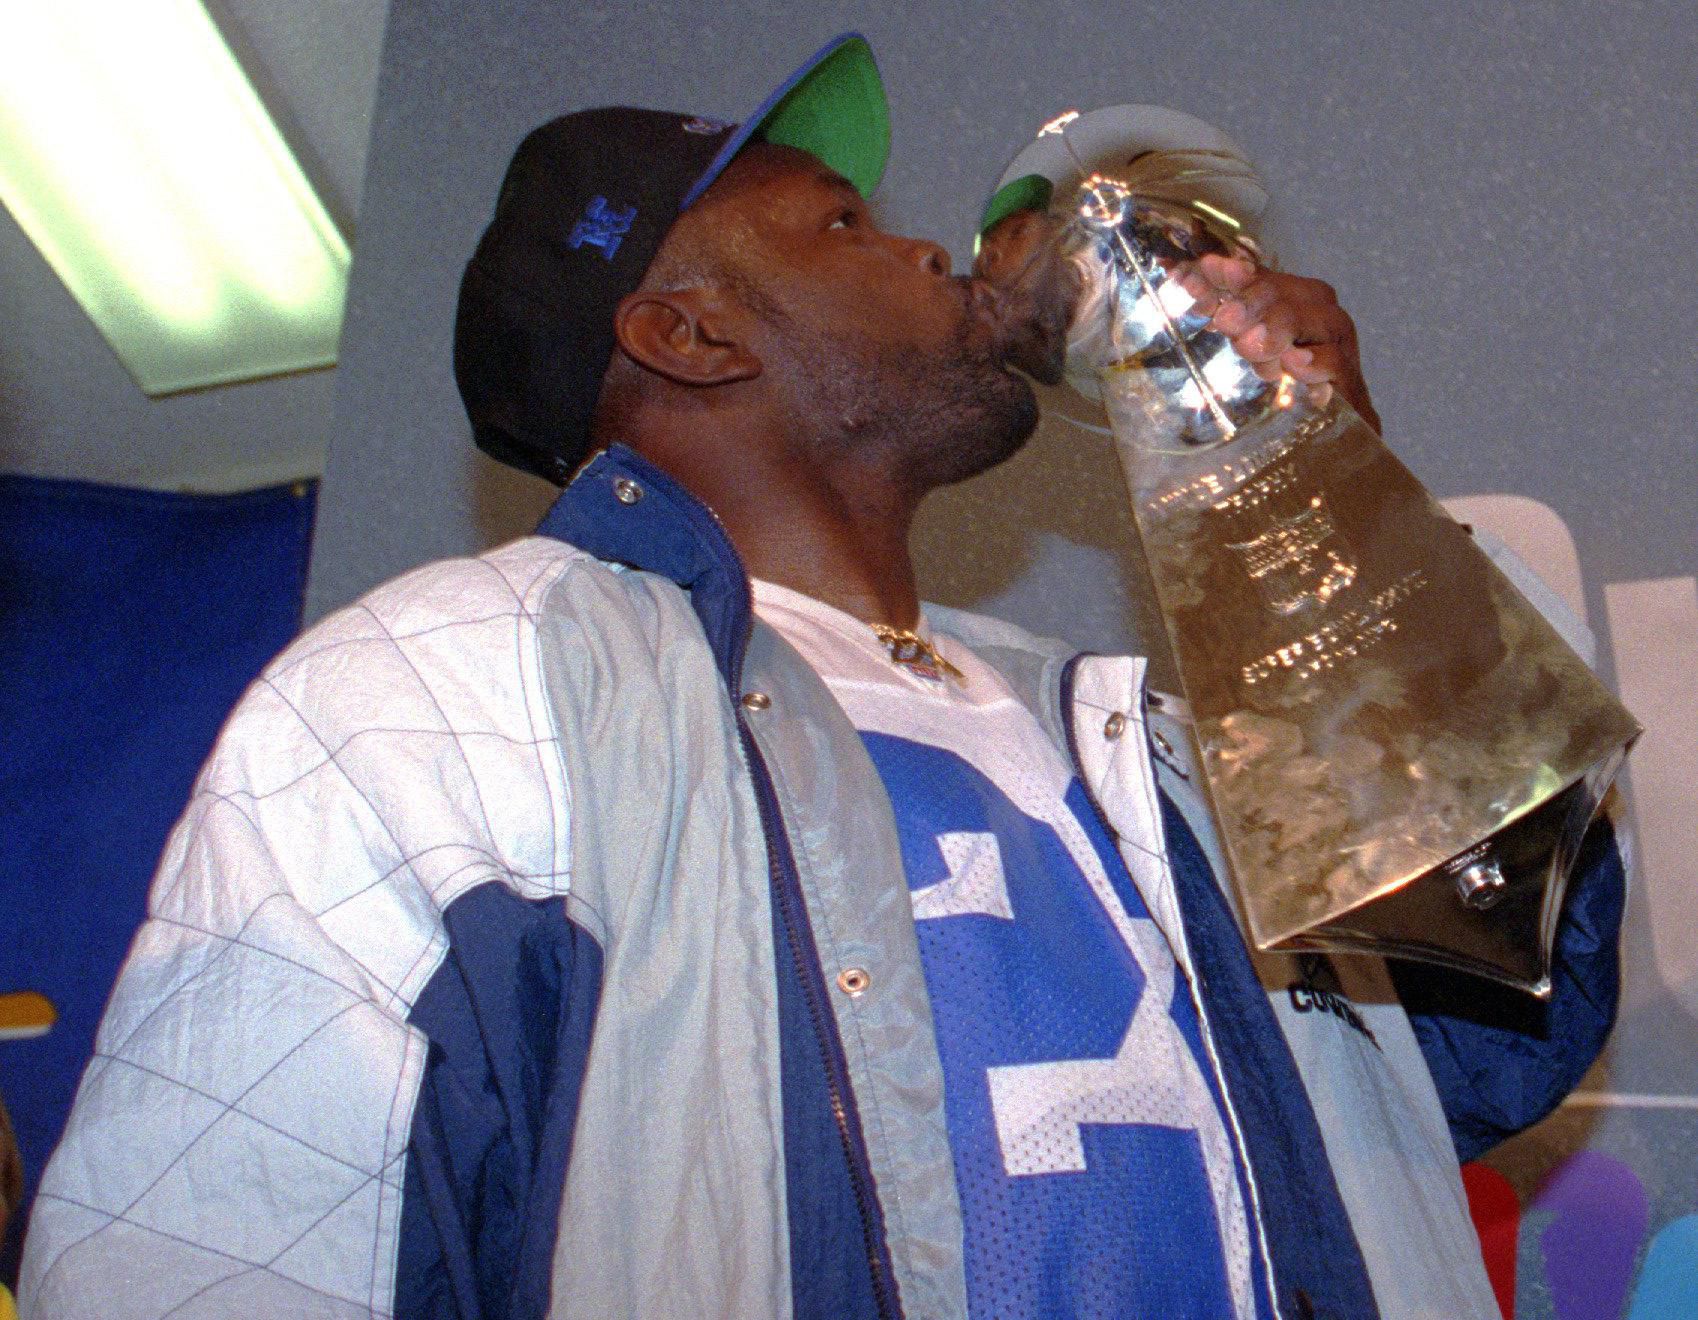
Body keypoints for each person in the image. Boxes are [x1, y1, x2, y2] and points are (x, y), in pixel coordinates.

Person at [20, 34, 1622, 1320]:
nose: (928, 240)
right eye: (839, 224)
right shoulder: (437, 690)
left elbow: (1487, 1020)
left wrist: (1311, 488)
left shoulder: (1133, 736)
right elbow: (213, 1258)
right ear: (691, 335)